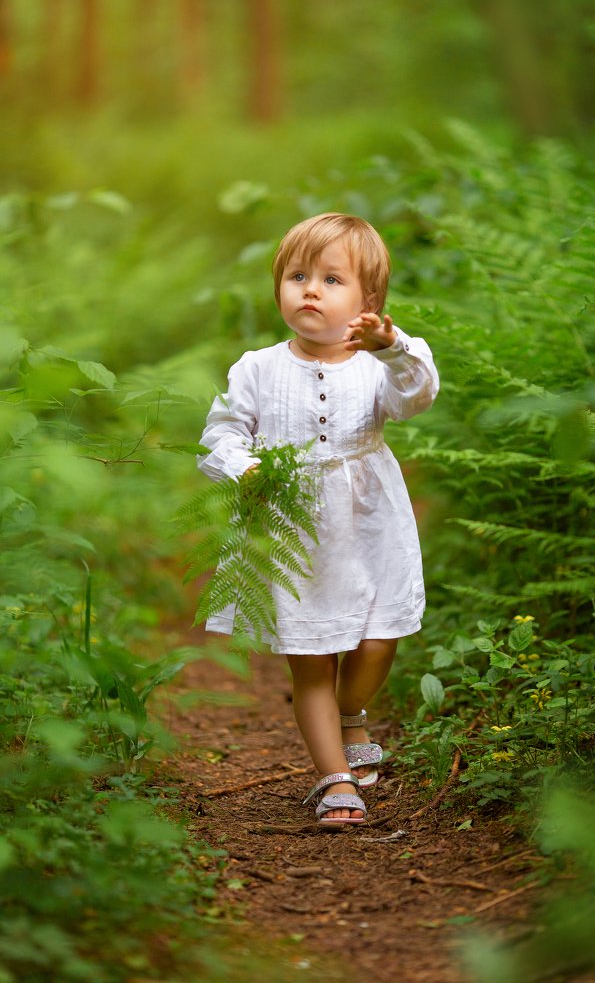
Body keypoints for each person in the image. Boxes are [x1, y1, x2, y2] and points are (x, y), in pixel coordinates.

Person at [198, 213, 439, 828]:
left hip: (369, 521)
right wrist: (246, 469)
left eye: (333, 280)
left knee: (378, 639)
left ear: (369, 302)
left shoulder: (377, 365)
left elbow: (417, 396)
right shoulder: (256, 367)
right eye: (298, 275)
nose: (310, 290)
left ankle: (351, 712)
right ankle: (335, 778)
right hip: (294, 526)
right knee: (311, 653)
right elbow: (220, 436)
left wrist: (395, 347)